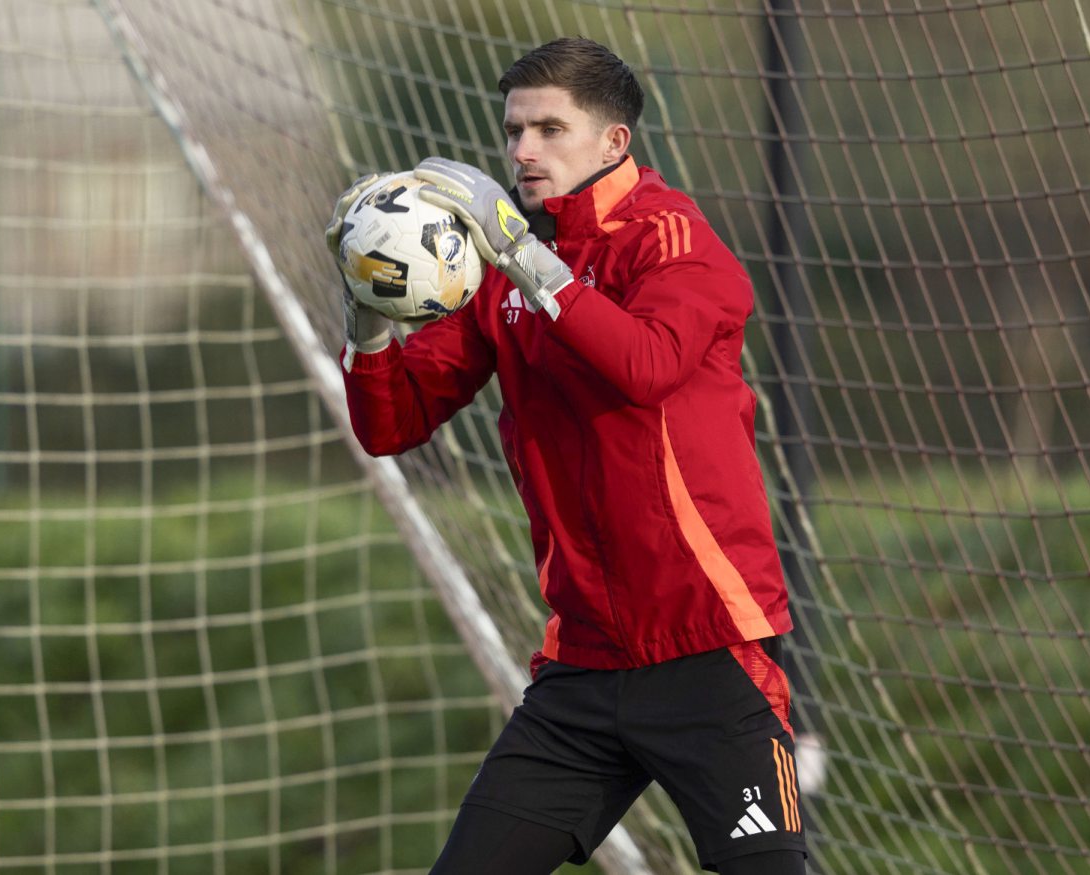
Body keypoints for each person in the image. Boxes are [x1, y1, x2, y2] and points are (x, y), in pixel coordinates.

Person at [326, 37, 807, 875]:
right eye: (515, 129)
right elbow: (390, 423)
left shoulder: (676, 242)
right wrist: (366, 310)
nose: (522, 151)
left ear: (614, 142)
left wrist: (520, 250)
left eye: (550, 128)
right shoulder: (504, 270)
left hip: (709, 648)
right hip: (583, 668)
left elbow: (645, 364)